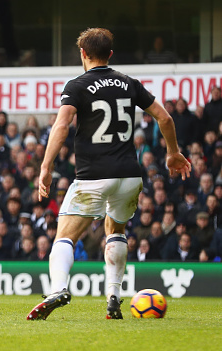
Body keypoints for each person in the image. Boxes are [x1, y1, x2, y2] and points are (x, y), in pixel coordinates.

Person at [27, 28, 191, 321]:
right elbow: (164, 117)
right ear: (110, 55)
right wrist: (173, 153)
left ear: (83, 54)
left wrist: (46, 166)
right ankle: (113, 295)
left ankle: (58, 289)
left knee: (65, 235)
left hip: (93, 176)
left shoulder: (77, 86)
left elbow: (62, 125)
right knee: (115, 230)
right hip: (129, 175)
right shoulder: (130, 83)